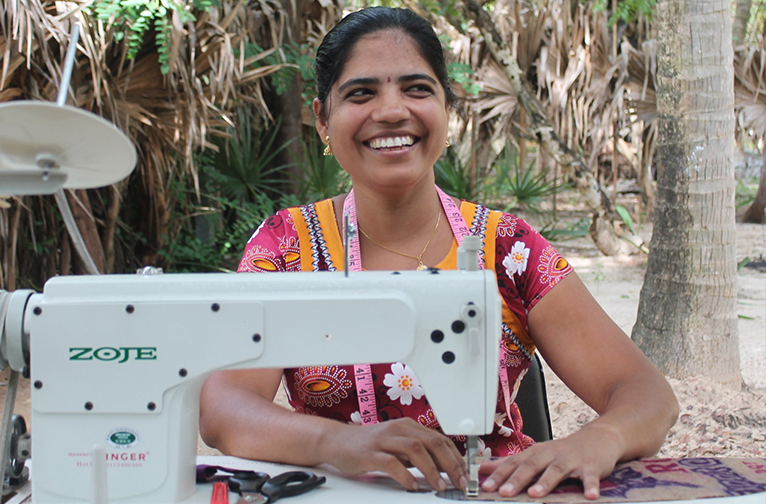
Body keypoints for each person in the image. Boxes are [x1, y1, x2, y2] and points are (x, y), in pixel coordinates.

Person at [199, 6, 678, 500]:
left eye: (417, 89)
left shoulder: (507, 248)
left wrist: (602, 438)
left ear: (448, 109)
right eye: (361, 92)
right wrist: (340, 441)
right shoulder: (288, 247)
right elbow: (223, 407)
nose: (390, 110)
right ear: (323, 119)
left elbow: (647, 395)